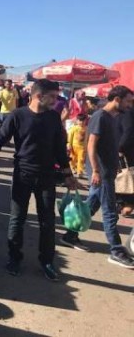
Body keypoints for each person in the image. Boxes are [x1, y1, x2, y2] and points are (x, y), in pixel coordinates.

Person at [0, 79, 80, 281]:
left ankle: (47, 261)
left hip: (47, 176)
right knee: (17, 218)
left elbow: (60, 148)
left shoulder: (53, 118)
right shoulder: (18, 115)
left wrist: (69, 175)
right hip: (22, 174)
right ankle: (14, 258)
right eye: (52, 96)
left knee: (47, 221)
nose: (55, 100)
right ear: (38, 96)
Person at [62, 86, 134, 268]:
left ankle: (70, 235)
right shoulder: (100, 117)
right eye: (127, 101)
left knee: (91, 206)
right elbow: (91, 145)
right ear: (117, 99)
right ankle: (116, 251)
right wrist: (95, 170)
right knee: (110, 212)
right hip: (101, 173)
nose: (129, 104)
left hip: (107, 171)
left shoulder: (112, 118)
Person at [67, 114, 88, 178]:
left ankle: (80, 172)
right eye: (80, 120)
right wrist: (69, 144)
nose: (81, 122)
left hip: (82, 148)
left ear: (85, 121)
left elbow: (88, 138)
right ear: (77, 121)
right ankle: (73, 168)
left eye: (83, 121)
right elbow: (70, 136)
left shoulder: (87, 128)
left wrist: (87, 146)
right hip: (74, 146)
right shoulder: (74, 128)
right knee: (73, 159)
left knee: (81, 159)